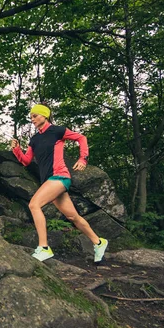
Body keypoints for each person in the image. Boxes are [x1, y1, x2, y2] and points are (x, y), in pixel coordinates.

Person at [11, 103, 108, 263]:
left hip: (59, 176)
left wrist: (83, 158)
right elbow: (26, 161)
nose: (32, 119)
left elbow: (81, 138)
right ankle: (98, 242)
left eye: (35, 116)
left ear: (45, 115)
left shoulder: (57, 131)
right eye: (31, 117)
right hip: (49, 181)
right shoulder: (34, 139)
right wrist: (17, 150)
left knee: (34, 205)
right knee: (73, 216)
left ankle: (44, 248)